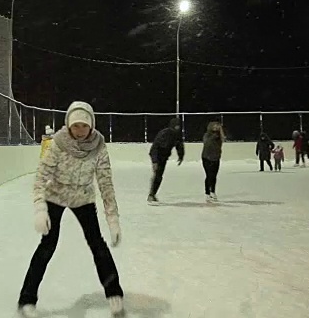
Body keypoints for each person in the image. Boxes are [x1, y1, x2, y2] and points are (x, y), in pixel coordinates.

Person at [17, 101, 124, 317]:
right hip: (55, 196)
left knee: (97, 245)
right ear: (68, 125)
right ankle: (27, 300)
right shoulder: (58, 144)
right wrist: (40, 208)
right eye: (76, 126)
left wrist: (112, 219)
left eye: (84, 126)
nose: (80, 131)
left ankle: (114, 294)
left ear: (91, 126)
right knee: (47, 245)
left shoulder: (99, 146)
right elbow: (40, 177)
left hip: (83, 198)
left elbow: (105, 183)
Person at [147, 117, 185, 204]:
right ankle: (151, 195)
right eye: (176, 126)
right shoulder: (164, 133)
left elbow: (179, 145)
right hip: (158, 155)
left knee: (159, 176)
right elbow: (154, 148)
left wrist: (181, 156)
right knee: (157, 175)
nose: (177, 128)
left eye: (179, 126)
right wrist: (154, 161)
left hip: (164, 157)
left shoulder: (177, 135)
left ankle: (152, 194)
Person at [201, 121, 224, 202]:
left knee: (214, 175)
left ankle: (213, 191)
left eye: (217, 126)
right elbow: (207, 143)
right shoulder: (207, 135)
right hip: (206, 158)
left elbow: (219, 146)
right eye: (214, 126)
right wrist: (213, 136)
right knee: (209, 175)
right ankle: (207, 193)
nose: (216, 127)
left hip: (216, 158)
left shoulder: (220, 136)